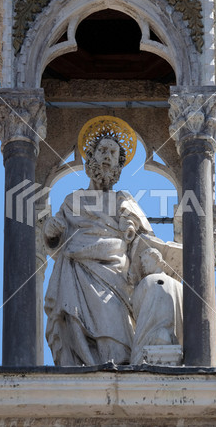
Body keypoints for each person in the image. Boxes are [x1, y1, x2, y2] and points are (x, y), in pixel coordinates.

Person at [44, 134, 154, 366]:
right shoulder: (73, 200)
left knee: (114, 321)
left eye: (113, 153)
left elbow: (146, 243)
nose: (107, 156)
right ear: (90, 158)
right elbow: (56, 240)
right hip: (76, 271)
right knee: (73, 321)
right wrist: (52, 233)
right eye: (102, 150)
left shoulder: (124, 199)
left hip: (115, 275)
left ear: (118, 166)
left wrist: (132, 228)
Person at [130, 247, 183, 365]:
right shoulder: (179, 286)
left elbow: (136, 310)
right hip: (173, 340)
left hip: (149, 339)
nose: (143, 266)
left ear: (157, 261)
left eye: (146, 262)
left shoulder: (147, 281)